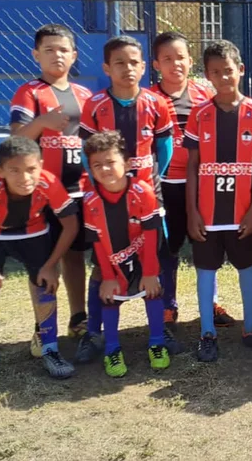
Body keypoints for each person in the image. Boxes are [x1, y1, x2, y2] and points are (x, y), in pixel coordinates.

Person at [76, 36, 178, 363]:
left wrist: (149, 184)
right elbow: (85, 152)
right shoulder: (94, 106)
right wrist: (100, 188)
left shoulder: (156, 103)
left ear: (145, 67)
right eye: (119, 62)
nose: (127, 68)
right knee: (103, 261)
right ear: (107, 68)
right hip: (105, 197)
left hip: (148, 195)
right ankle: (94, 333)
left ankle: (164, 323)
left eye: (134, 62)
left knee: (159, 258)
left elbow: (163, 150)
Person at [185, 40, 252, 361]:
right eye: (215, 72)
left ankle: (250, 329)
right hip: (208, 215)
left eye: (228, 70)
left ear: (240, 70)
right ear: (207, 76)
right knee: (205, 270)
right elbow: (193, 167)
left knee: (247, 268)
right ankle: (207, 333)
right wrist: (192, 212)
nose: (223, 77)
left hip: (243, 213)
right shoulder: (199, 114)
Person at [0, 136, 78, 389]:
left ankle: (50, 349)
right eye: (14, 170)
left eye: (31, 169)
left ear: (41, 166)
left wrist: (52, 265)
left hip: (34, 235)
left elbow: (71, 224)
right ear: (0, 171)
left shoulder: (49, 182)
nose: (24, 177)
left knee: (45, 284)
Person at [9, 24, 93, 351]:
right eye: (49, 49)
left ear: (74, 55)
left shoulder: (84, 95)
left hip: (81, 191)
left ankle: (78, 318)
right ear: (36, 55)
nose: (56, 55)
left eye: (63, 50)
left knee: (74, 256)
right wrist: (42, 123)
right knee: (45, 261)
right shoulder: (29, 92)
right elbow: (16, 139)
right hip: (44, 195)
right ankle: (44, 327)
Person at [149, 31, 236, 330]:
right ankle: (167, 306)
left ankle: (210, 302)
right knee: (167, 248)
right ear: (156, 64)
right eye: (167, 59)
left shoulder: (203, 96)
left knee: (206, 246)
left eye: (181, 58)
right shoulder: (149, 99)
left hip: (202, 185)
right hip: (164, 187)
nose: (176, 64)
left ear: (191, 61)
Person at [82, 131, 170, 377]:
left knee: (152, 292)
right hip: (112, 261)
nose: (105, 169)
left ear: (128, 163)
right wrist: (108, 277)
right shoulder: (90, 201)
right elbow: (98, 242)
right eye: (97, 165)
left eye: (110, 162)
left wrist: (151, 272)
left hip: (143, 257)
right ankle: (111, 348)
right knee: (110, 297)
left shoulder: (142, 192)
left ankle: (157, 343)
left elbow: (152, 235)